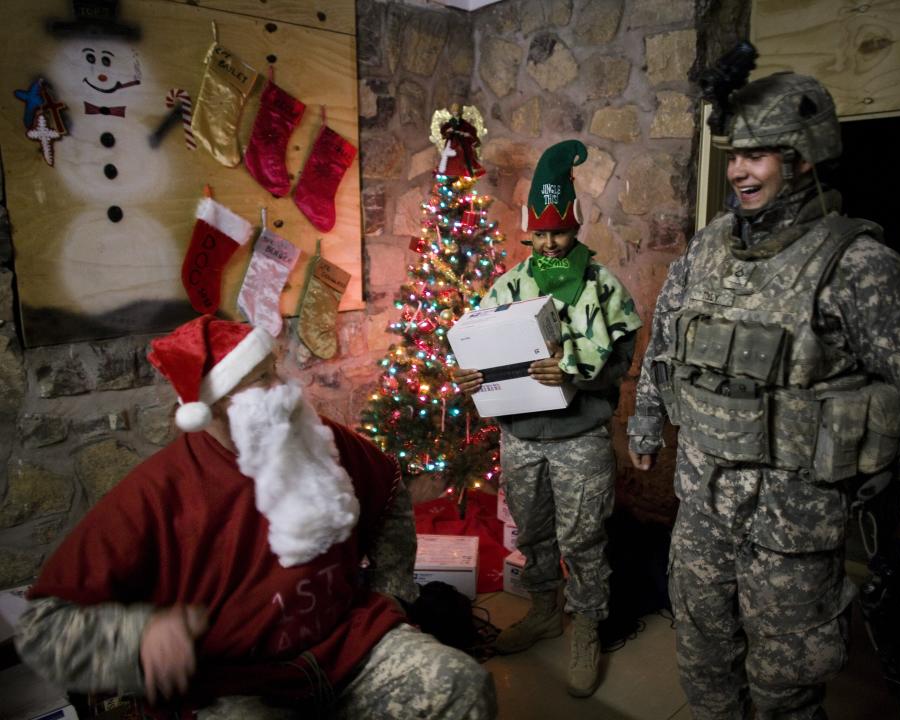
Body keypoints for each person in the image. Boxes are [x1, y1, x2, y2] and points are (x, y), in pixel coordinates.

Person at [627, 69, 900, 718]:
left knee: (786, 689)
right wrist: (644, 421)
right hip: (702, 507)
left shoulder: (859, 265)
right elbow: (665, 341)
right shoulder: (707, 251)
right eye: (735, 156)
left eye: (759, 155)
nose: (740, 173)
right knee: (703, 665)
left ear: (804, 157)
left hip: (794, 523)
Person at [15, 315, 496, 720]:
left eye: (275, 372)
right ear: (219, 404)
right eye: (262, 380)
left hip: (350, 644)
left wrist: (392, 593)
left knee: (459, 685)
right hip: (238, 684)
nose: (286, 390)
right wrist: (138, 641)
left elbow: (388, 490)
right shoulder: (156, 494)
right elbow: (44, 625)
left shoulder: (315, 436)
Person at [453, 140, 642, 698]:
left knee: (583, 538)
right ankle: (542, 610)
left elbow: (623, 359)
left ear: (575, 229)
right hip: (521, 435)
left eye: (557, 233)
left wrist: (577, 374)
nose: (547, 243)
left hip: (577, 435)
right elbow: (483, 346)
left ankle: (585, 625)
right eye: (537, 234)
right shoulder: (510, 285)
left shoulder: (601, 284)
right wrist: (471, 379)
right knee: (533, 533)